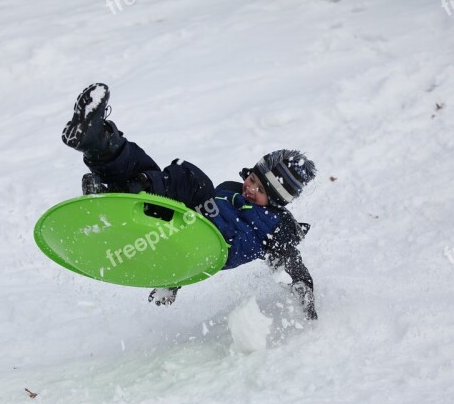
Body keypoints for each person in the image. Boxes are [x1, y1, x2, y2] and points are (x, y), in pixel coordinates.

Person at [61, 83, 318, 320]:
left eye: (260, 189)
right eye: (252, 178)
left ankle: (131, 189)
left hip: (208, 245)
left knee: (192, 179)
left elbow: (292, 263)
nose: (250, 188)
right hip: (180, 223)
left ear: (276, 201)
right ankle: (97, 143)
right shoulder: (231, 191)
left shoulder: (277, 227)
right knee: (148, 169)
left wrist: (306, 297)